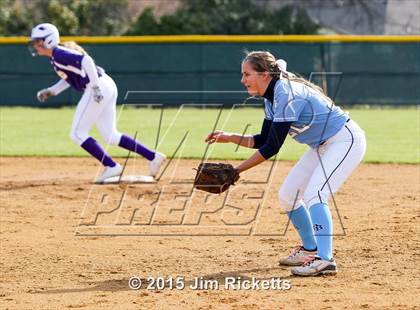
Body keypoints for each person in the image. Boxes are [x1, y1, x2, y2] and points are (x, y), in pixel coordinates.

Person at [205, 51, 366, 276]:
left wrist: (236, 170)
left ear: (264, 74)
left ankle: (325, 259)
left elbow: (272, 148)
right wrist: (230, 136)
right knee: (288, 195)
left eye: (247, 74)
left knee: (316, 194)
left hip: (344, 139)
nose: (243, 80)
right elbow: (262, 140)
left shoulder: (286, 93)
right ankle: (310, 249)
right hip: (321, 146)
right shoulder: (272, 97)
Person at [29, 23, 166, 183]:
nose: (35, 45)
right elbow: (69, 77)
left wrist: (94, 87)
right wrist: (52, 91)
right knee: (111, 136)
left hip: (97, 86)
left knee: (77, 133)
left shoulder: (59, 53)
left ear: (49, 40)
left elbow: (87, 60)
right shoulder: (56, 56)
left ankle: (112, 166)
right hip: (105, 84)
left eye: (38, 41)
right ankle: (153, 156)